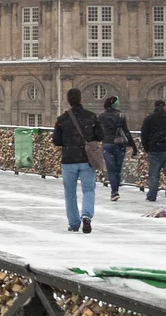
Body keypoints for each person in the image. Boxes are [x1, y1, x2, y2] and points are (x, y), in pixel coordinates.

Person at [52, 88, 104, 233]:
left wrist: (68, 141)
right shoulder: (92, 116)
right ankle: (86, 216)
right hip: (87, 159)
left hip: (69, 159)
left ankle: (74, 223)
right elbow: (100, 136)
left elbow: (56, 140)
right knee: (88, 190)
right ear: (81, 100)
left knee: (70, 192)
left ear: (68, 101)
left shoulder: (62, 119)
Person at [139, 98, 166, 203]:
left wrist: (147, 148)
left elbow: (144, 135)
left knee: (154, 174)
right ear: (165, 107)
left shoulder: (149, 119)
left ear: (155, 107)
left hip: (154, 149)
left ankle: (152, 195)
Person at [96, 96, 138, 200]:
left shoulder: (101, 115)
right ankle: (116, 190)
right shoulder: (120, 115)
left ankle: (114, 192)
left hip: (107, 144)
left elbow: (96, 131)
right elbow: (126, 132)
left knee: (111, 169)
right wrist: (133, 146)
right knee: (118, 169)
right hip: (119, 144)